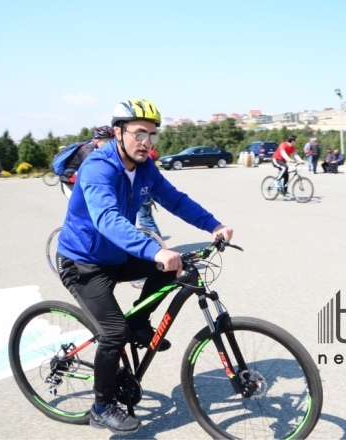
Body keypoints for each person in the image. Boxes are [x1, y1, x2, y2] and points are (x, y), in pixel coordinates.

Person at [56, 98, 233, 435]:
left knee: (172, 268)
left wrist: (213, 225)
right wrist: (153, 250)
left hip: (115, 256)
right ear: (119, 132)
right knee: (112, 333)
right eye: (139, 133)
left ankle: (139, 322)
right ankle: (101, 407)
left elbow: (175, 199)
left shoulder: (146, 167)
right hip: (83, 263)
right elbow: (106, 217)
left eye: (152, 134)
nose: (147, 142)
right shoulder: (98, 168)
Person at [59, 126, 114, 198]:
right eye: (107, 141)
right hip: (70, 181)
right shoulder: (88, 151)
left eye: (113, 141)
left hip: (80, 179)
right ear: (98, 140)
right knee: (82, 206)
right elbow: (96, 172)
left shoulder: (101, 149)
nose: (111, 144)